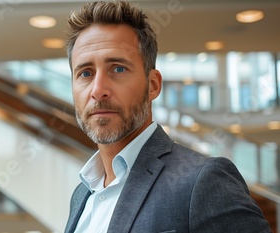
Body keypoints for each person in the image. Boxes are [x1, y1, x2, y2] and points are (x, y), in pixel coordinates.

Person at [64, 1, 271, 232]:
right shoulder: (81, 195)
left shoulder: (203, 180)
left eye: (118, 68)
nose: (98, 89)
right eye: (85, 73)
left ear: (153, 85)